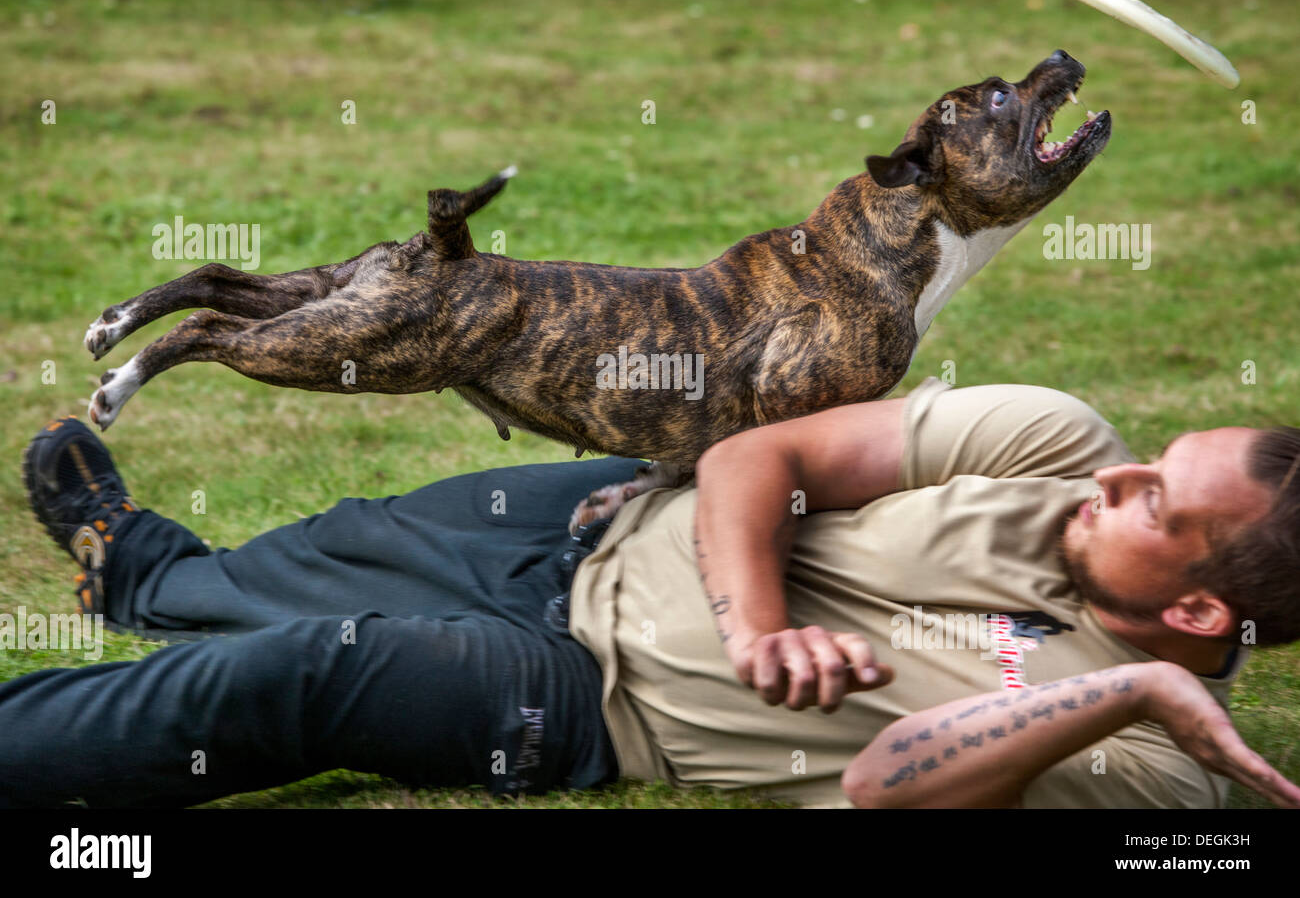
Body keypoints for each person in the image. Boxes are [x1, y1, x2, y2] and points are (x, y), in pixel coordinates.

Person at [6, 379, 1300, 808]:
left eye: (1153, 502)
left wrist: (1128, 686)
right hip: (604, 521)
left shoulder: (1156, 756)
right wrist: (761, 620)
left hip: (587, 696)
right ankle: (147, 573)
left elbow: (885, 788)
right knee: (315, 555)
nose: (1116, 473)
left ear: (1195, 614)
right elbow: (763, 456)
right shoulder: (1055, 442)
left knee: (298, 677)